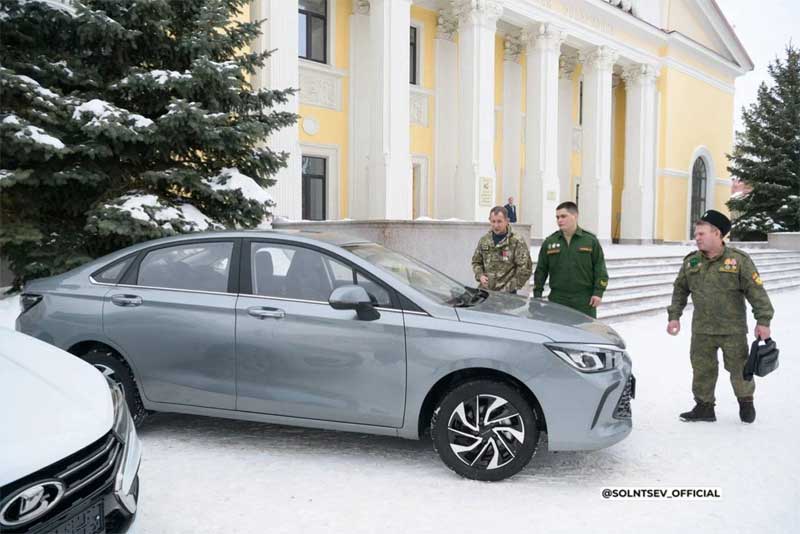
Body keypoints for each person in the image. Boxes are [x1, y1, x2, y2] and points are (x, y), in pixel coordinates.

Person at [666, 209, 774, 424]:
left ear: (717, 233)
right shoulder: (691, 262)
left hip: (732, 330)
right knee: (702, 369)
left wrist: (763, 321)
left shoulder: (739, 260)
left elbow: (756, 292)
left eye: (701, 234)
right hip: (702, 330)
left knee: (740, 369)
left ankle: (745, 402)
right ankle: (704, 407)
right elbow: (680, 289)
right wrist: (674, 316)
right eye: (696, 234)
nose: (696, 238)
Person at [532, 201, 608, 318]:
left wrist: (598, 293)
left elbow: (600, 268)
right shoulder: (550, 242)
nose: (559, 220)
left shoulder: (590, 240)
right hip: (558, 298)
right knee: (558, 332)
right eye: (557, 217)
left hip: (584, 299)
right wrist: (537, 294)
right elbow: (541, 270)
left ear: (575, 216)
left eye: (563, 216)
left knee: (585, 332)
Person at [471, 206, 532, 294]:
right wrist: (480, 275)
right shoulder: (484, 240)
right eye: (493, 221)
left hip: (506, 295)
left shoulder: (516, 241)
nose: (496, 225)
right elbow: (476, 262)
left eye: (499, 221)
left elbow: (525, 268)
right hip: (485, 292)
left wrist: (510, 287)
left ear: (507, 221)